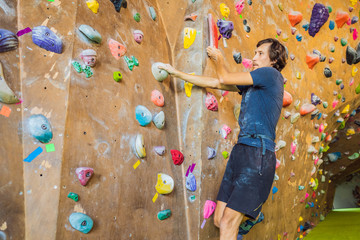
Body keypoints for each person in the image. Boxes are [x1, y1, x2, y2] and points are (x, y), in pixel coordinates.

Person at [159, 38, 287, 240]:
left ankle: (249, 212)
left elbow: (224, 76)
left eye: (260, 53)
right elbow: (217, 82)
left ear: (274, 60)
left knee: (228, 222)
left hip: (258, 153)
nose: (254, 58)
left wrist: (219, 58)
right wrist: (175, 73)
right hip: (241, 150)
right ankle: (251, 214)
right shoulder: (255, 82)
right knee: (220, 220)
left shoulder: (271, 74)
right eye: (255, 53)